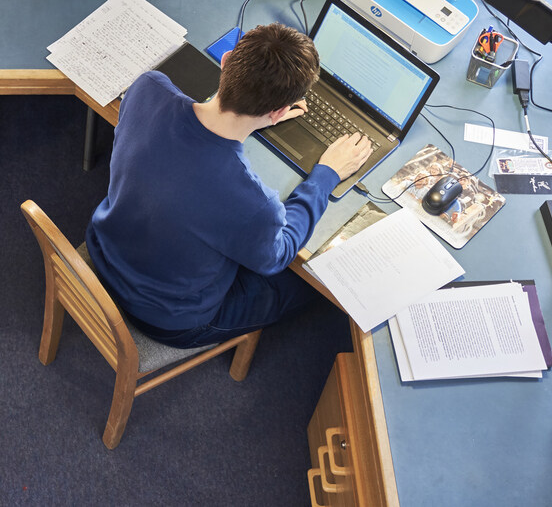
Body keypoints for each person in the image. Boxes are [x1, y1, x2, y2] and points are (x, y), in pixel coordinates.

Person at [86, 23, 372, 349]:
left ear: (225, 62)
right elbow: (276, 255)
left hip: (105, 252)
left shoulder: (148, 88)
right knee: (310, 283)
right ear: (279, 111)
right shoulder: (255, 205)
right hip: (169, 319)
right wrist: (327, 175)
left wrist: (258, 113)